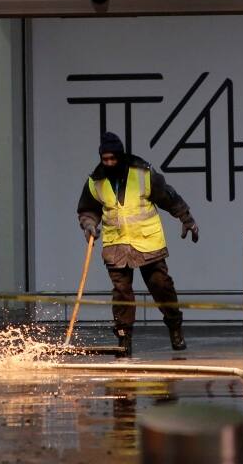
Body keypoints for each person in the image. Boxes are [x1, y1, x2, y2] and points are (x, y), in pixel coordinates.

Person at [76, 131, 199, 356]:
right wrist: (89, 225)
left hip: (147, 241)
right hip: (116, 245)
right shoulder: (95, 181)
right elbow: (88, 210)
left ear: (121, 156)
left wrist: (186, 218)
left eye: (113, 158)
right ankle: (124, 338)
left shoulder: (143, 173)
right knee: (122, 292)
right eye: (106, 159)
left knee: (161, 286)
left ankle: (175, 327)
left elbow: (168, 196)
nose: (110, 163)